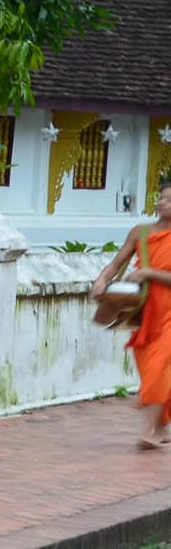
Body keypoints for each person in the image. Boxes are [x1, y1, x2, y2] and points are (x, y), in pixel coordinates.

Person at [90, 183, 171, 447]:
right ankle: (160, 429)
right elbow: (116, 263)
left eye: (169, 200)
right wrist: (101, 280)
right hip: (144, 311)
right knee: (151, 368)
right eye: (160, 198)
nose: (161, 203)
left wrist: (149, 273)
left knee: (160, 367)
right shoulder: (140, 232)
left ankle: (146, 431)